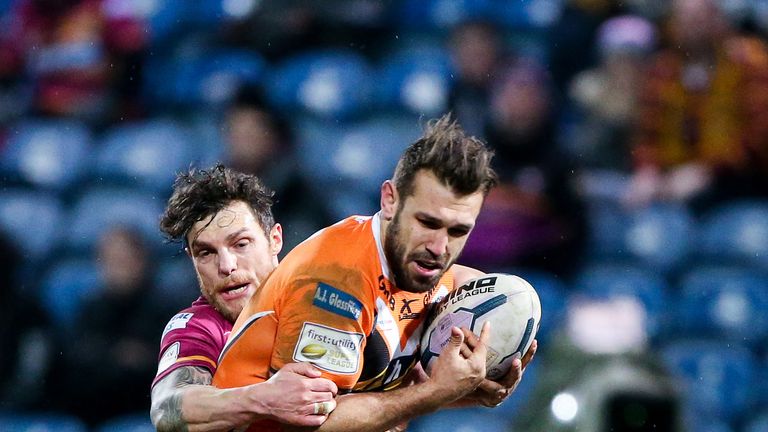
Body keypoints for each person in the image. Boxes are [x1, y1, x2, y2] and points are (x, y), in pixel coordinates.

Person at [213, 114, 537, 432]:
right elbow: (314, 422)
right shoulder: (336, 283)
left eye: (458, 231)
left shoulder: (433, 273)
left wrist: (465, 391)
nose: (439, 247)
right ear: (390, 200)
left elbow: (389, 391)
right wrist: (436, 393)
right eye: (427, 223)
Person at [150, 165, 339, 431]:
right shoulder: (198, 327)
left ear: (275, 240)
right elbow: (167, 410)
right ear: (192, 260)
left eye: (241, 244)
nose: (226, 266)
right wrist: (266, 398)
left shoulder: (331, 306)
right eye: (206, 253)